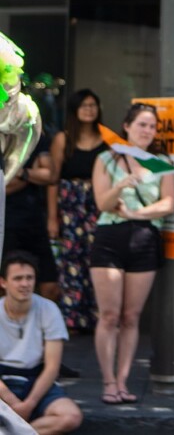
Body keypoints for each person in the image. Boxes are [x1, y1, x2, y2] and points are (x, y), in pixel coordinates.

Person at [90, 102, 174, 405]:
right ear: (126, 126)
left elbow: (169, 203)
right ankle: (108, 381)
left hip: (144, 237)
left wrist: (136, 214)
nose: (147, 131)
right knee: (109, 315)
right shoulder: (106, 158)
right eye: (141, 124)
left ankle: (123, 381)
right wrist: (121, 186)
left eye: (152, 126)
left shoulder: (160, 162)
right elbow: (102, 203)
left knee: (131, 316)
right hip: (110, 237)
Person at [0, 251, 83, 434]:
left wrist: (29, 404)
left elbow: (52, 367)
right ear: (3, 282)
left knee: (70, 417)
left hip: (36, 380)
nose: (25, 284)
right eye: (18, 278)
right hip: (3, 383)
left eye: (29, 278)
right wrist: (13, 403)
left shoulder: (48, 309)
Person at [48, 88, 107, 332]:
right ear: (74, 110)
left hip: (98, 203)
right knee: (71, 261)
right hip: (70, 206)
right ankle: (72, 319)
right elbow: (53, 180)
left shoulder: (107, 139)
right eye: (84, 105)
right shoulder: (63, 139)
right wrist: (52, 217)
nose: (89, 110)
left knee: (97, 259)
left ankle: (98, 317)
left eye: (93, 105)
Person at [3, 135, 59, 303]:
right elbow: (3, 188)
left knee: (50, 286)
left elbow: (50, 175)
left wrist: (22, 172)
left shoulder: (33, 136)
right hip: (5, 224)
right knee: (5, 285)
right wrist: (31, 176)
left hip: (34, 222)